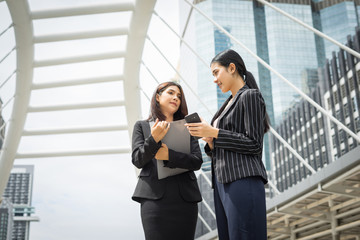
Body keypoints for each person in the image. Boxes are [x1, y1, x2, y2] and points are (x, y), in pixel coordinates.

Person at [185, 49, 270, 240]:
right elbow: (227, 144)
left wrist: (214, 132)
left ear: (232, 68)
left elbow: (254, 144)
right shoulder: (226, 106)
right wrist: (211, 142)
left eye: (216, 72)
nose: (214, 79)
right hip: (223, 183)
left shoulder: (250, 96)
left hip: (243, 179)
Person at [131, 81, 203, 240]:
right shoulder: (141, 126)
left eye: (179, 96)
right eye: (170, 93)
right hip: (154, 199)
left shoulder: (188, 126)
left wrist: (169, 155)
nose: (175, 98)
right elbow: (137, 159)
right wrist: (153, 139)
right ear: (158, 96)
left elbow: (197, 161)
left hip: (185, 200)